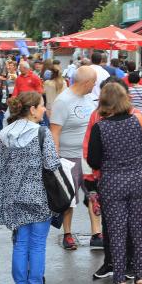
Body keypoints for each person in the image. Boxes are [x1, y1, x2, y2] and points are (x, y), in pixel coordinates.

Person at [0, 92, 60, 284]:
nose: (44, 110)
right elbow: (51, 164)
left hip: (15, 196)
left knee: (21, 244)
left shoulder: (4, 133)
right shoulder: (42, 132)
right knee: (38, 244)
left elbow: (1, 169)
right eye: (42, 106)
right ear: (31, 109)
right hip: (40, 195)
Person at [87, 82, 142, 284]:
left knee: (116, 231)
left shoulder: (100, 127)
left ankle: (119, 281)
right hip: (139, 179)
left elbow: (93, 161)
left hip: (113, 182)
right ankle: (140, 278)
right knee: (140, 230)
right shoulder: (136, 122)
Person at [49, 66, 101, 250]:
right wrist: (55, 159)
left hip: (88, 157)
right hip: (68, 158)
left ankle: (96, 233)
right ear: (86, 82)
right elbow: (54, 132)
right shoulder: (63, 101)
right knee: (68, 199)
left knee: (94, 196)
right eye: (93, 82)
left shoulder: (90, 98)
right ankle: (67, 233)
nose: (95, 85)